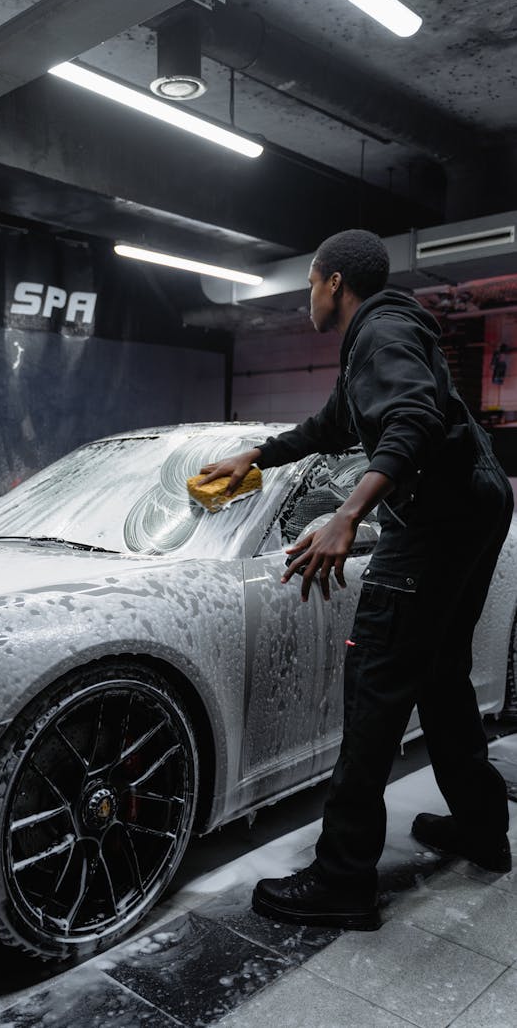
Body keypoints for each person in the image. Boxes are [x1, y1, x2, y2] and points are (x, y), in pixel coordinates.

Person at [198, 229, 514, 931]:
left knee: (375, 685)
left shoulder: (381, 332)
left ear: (332, 281)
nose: (307, 296)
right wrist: (257, 451)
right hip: (473, 505)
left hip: (436, 519)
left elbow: (411, 419)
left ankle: (343, 878)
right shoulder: (386, 334)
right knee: (439, 674)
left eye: (310, 282)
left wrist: (347, 515)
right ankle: (484, 827)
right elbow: (334, 424)